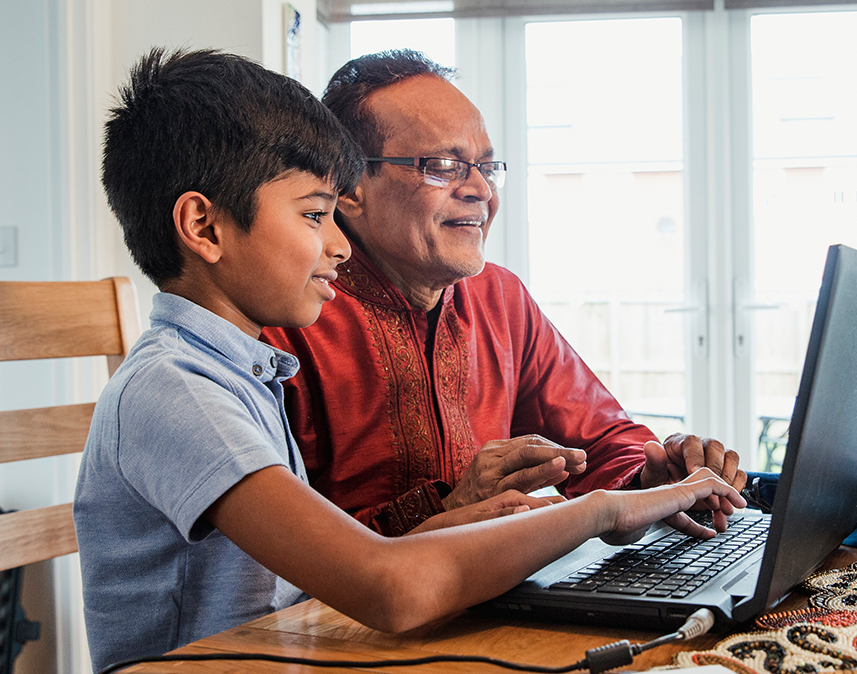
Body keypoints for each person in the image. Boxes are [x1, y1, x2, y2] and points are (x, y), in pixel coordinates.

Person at [73, 47, 746, 674]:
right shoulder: (196, 380)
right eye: (314, 214)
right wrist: (598, 510)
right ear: (204, 227)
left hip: (306, 664)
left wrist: (641, 482)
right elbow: (383, 583)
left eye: (486, 167)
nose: (480, 190)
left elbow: (343, 581)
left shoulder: (244, 366)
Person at [262, 50, 747, 538]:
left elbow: (601, 441)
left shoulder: (498, 297)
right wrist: (450, 507)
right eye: (444, 165)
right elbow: (279, 551)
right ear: (350, 188)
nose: (481, 190)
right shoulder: (282, 319)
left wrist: (654, 476)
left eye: (486, 167)